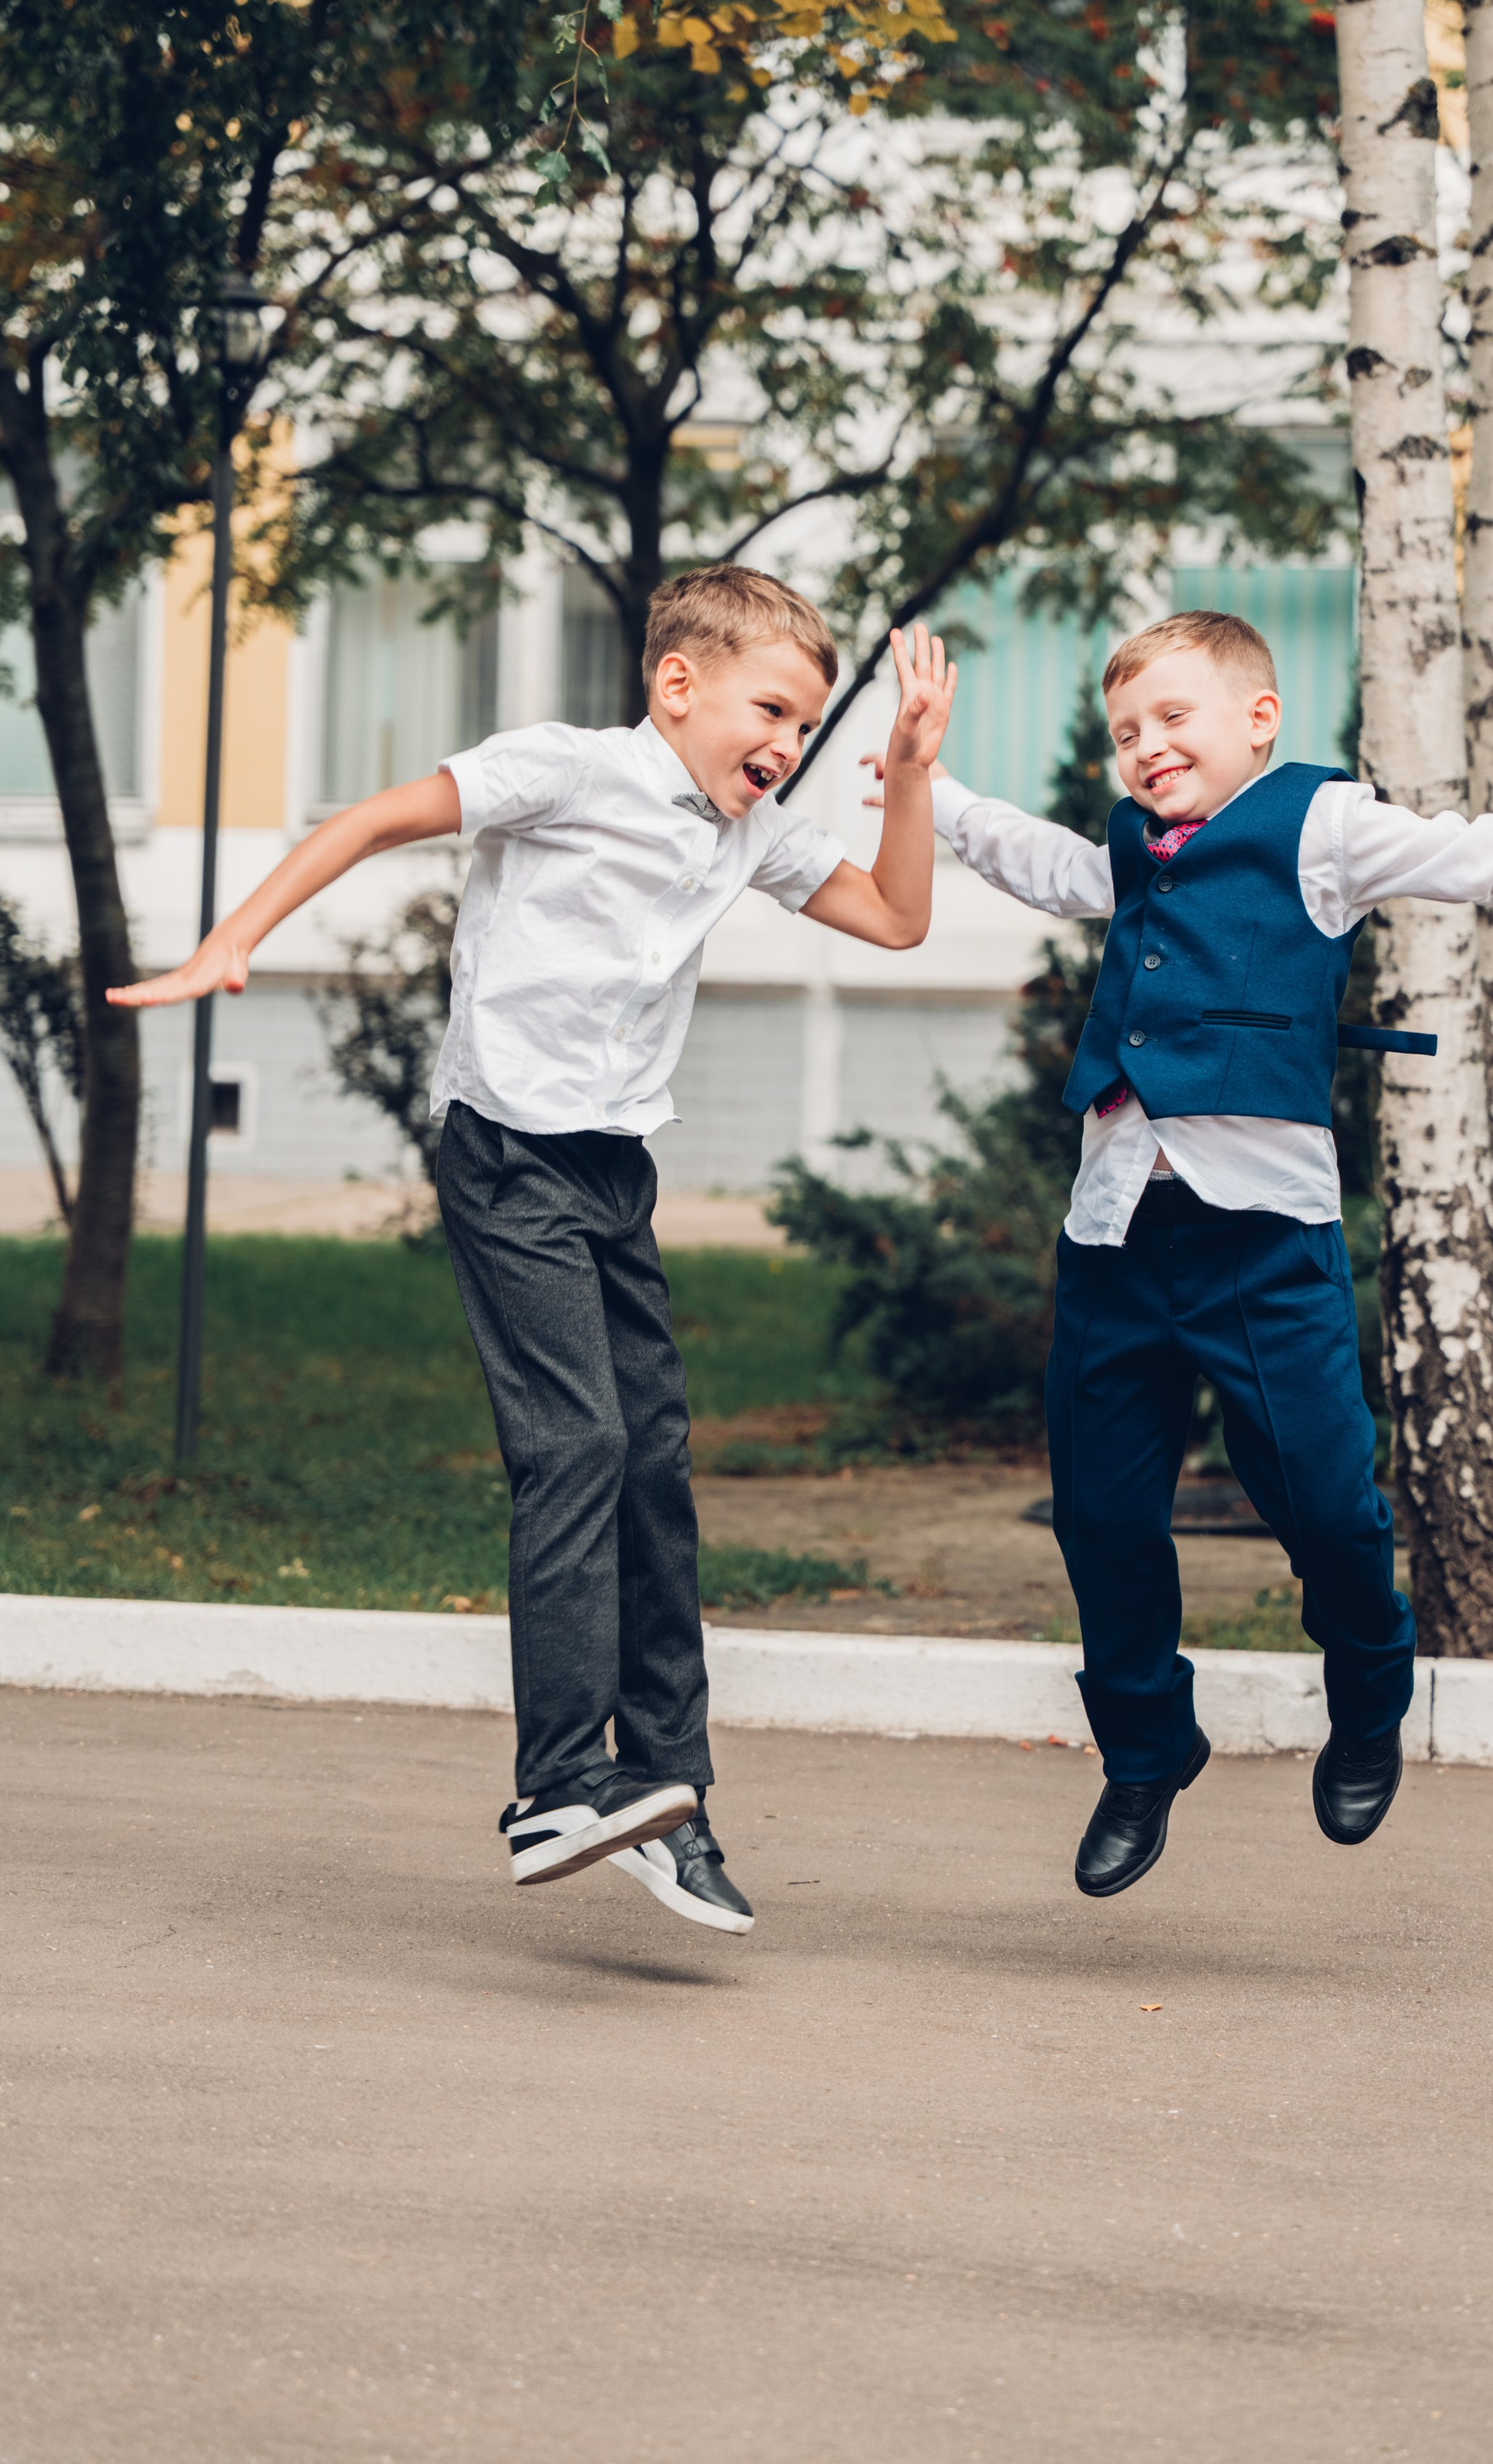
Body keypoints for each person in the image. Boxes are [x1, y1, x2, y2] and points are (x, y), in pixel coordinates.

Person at [892, 606, 1493, 1900]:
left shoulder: (1317, 826)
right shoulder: (1131, 851)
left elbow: (1487, 854)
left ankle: (1371, 1688)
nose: (1146, 747)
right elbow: (1031, 861)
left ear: (1256, 719)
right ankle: (1148, 1746)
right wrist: (926, 776)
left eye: (1174, 718)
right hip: (1114, 1236)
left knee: (1324, 1503)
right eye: (1125, 732)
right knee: (1103, 1517)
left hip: (1262, 1244)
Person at [114, 567, 957, 1935]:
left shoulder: (748, 825)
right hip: (505, 1148)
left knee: (657, 1463)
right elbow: (382, 816)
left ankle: (669, 1793)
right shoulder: (564, 769)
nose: (788, 747)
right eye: (772, 712)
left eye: (806, 726)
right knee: (577, 1446)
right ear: (676, 684)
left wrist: (906, 773)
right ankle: (558, 1779)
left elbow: (897, 916)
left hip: (613, 1167)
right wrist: (234, 937)